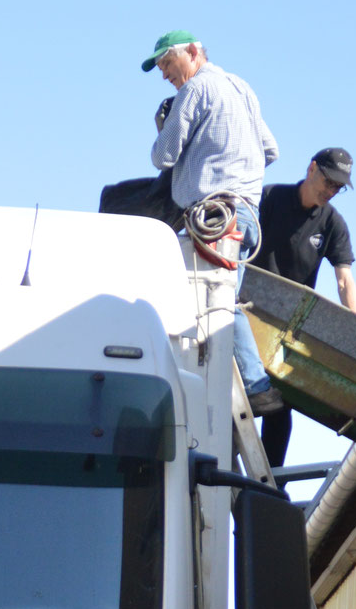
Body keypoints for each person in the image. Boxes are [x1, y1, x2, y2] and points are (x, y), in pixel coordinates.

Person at [99, 31, 280, 408]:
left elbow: (162, 156)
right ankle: (251, 386)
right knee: (221, 299)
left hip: (214, 214)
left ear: (193, 53)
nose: (164, 74)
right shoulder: (241, 87)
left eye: (167, 63)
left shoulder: (195, 90)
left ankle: (256, 385)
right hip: (245, 213)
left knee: (211, 305)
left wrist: (167, 125)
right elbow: (270, 150)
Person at [254, 148, 356, 469]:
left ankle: (269, 480)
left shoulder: (331, 222)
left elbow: (344, 280)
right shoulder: (270, 197)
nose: (331, 192)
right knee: (241, 395)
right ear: (312, 169)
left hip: (289, 324)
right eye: (328, 182)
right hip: (251, 309)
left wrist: (353, 332)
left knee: (280, 403)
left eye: (338, 188)